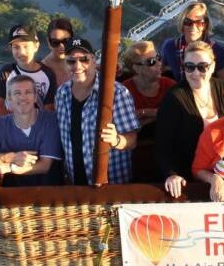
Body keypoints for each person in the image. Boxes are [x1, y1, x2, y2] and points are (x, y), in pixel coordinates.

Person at [53, 36, 140, 185]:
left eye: (84, 59)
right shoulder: (61, 94)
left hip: (112, 186)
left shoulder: (116, 93)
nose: (77, 66)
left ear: (94, 60)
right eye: (71, 61)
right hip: (76, 185)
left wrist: (116, 140)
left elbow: (131, 141)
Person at [154, 41, 224, 197]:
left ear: (213, 66)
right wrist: (172, 173)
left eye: (202, 66)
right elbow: (162, 145)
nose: (196, 73)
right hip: (188, 179)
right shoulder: (174, 97)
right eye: (189, 67)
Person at [0, 75, 63, 185]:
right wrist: (9, 157)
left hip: (47, 193)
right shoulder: (1, 125)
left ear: (35, 97)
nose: (23, 97)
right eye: (17, 93)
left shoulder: (49, 121)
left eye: (28, 92)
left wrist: (8, 167)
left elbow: (44, 166)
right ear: (9, 99)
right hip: (12, 194)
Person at [0, 24, 59, 119]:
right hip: (13, 129)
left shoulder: (47, 74)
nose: (21, 52)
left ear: (36, 46)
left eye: (26, 46)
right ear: (11, 49)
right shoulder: (6, 72)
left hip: (38, 129)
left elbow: (48, 111)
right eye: (16, 47)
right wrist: (23, 119)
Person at [160, 1, 224, 82]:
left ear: (205, 25)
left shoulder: (217, 51)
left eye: (199, 23)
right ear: (182, 23)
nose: (193, 27)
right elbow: (162, 76)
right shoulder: (170, 47)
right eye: (188, 22)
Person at [121, 40, 175, 128]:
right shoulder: (124, 92)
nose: (159, 63)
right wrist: (162, 114)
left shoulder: (169, 85)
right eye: (151, 62)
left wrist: (146, 112)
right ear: (136, 68)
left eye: (158, 57)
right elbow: (125, 124)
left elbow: (179, 113)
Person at [40, 17, 76, 88]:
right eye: (55, 42)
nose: (61, 46)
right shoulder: (42, 71)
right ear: (48, 42)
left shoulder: (80, 62)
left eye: (66, 41)